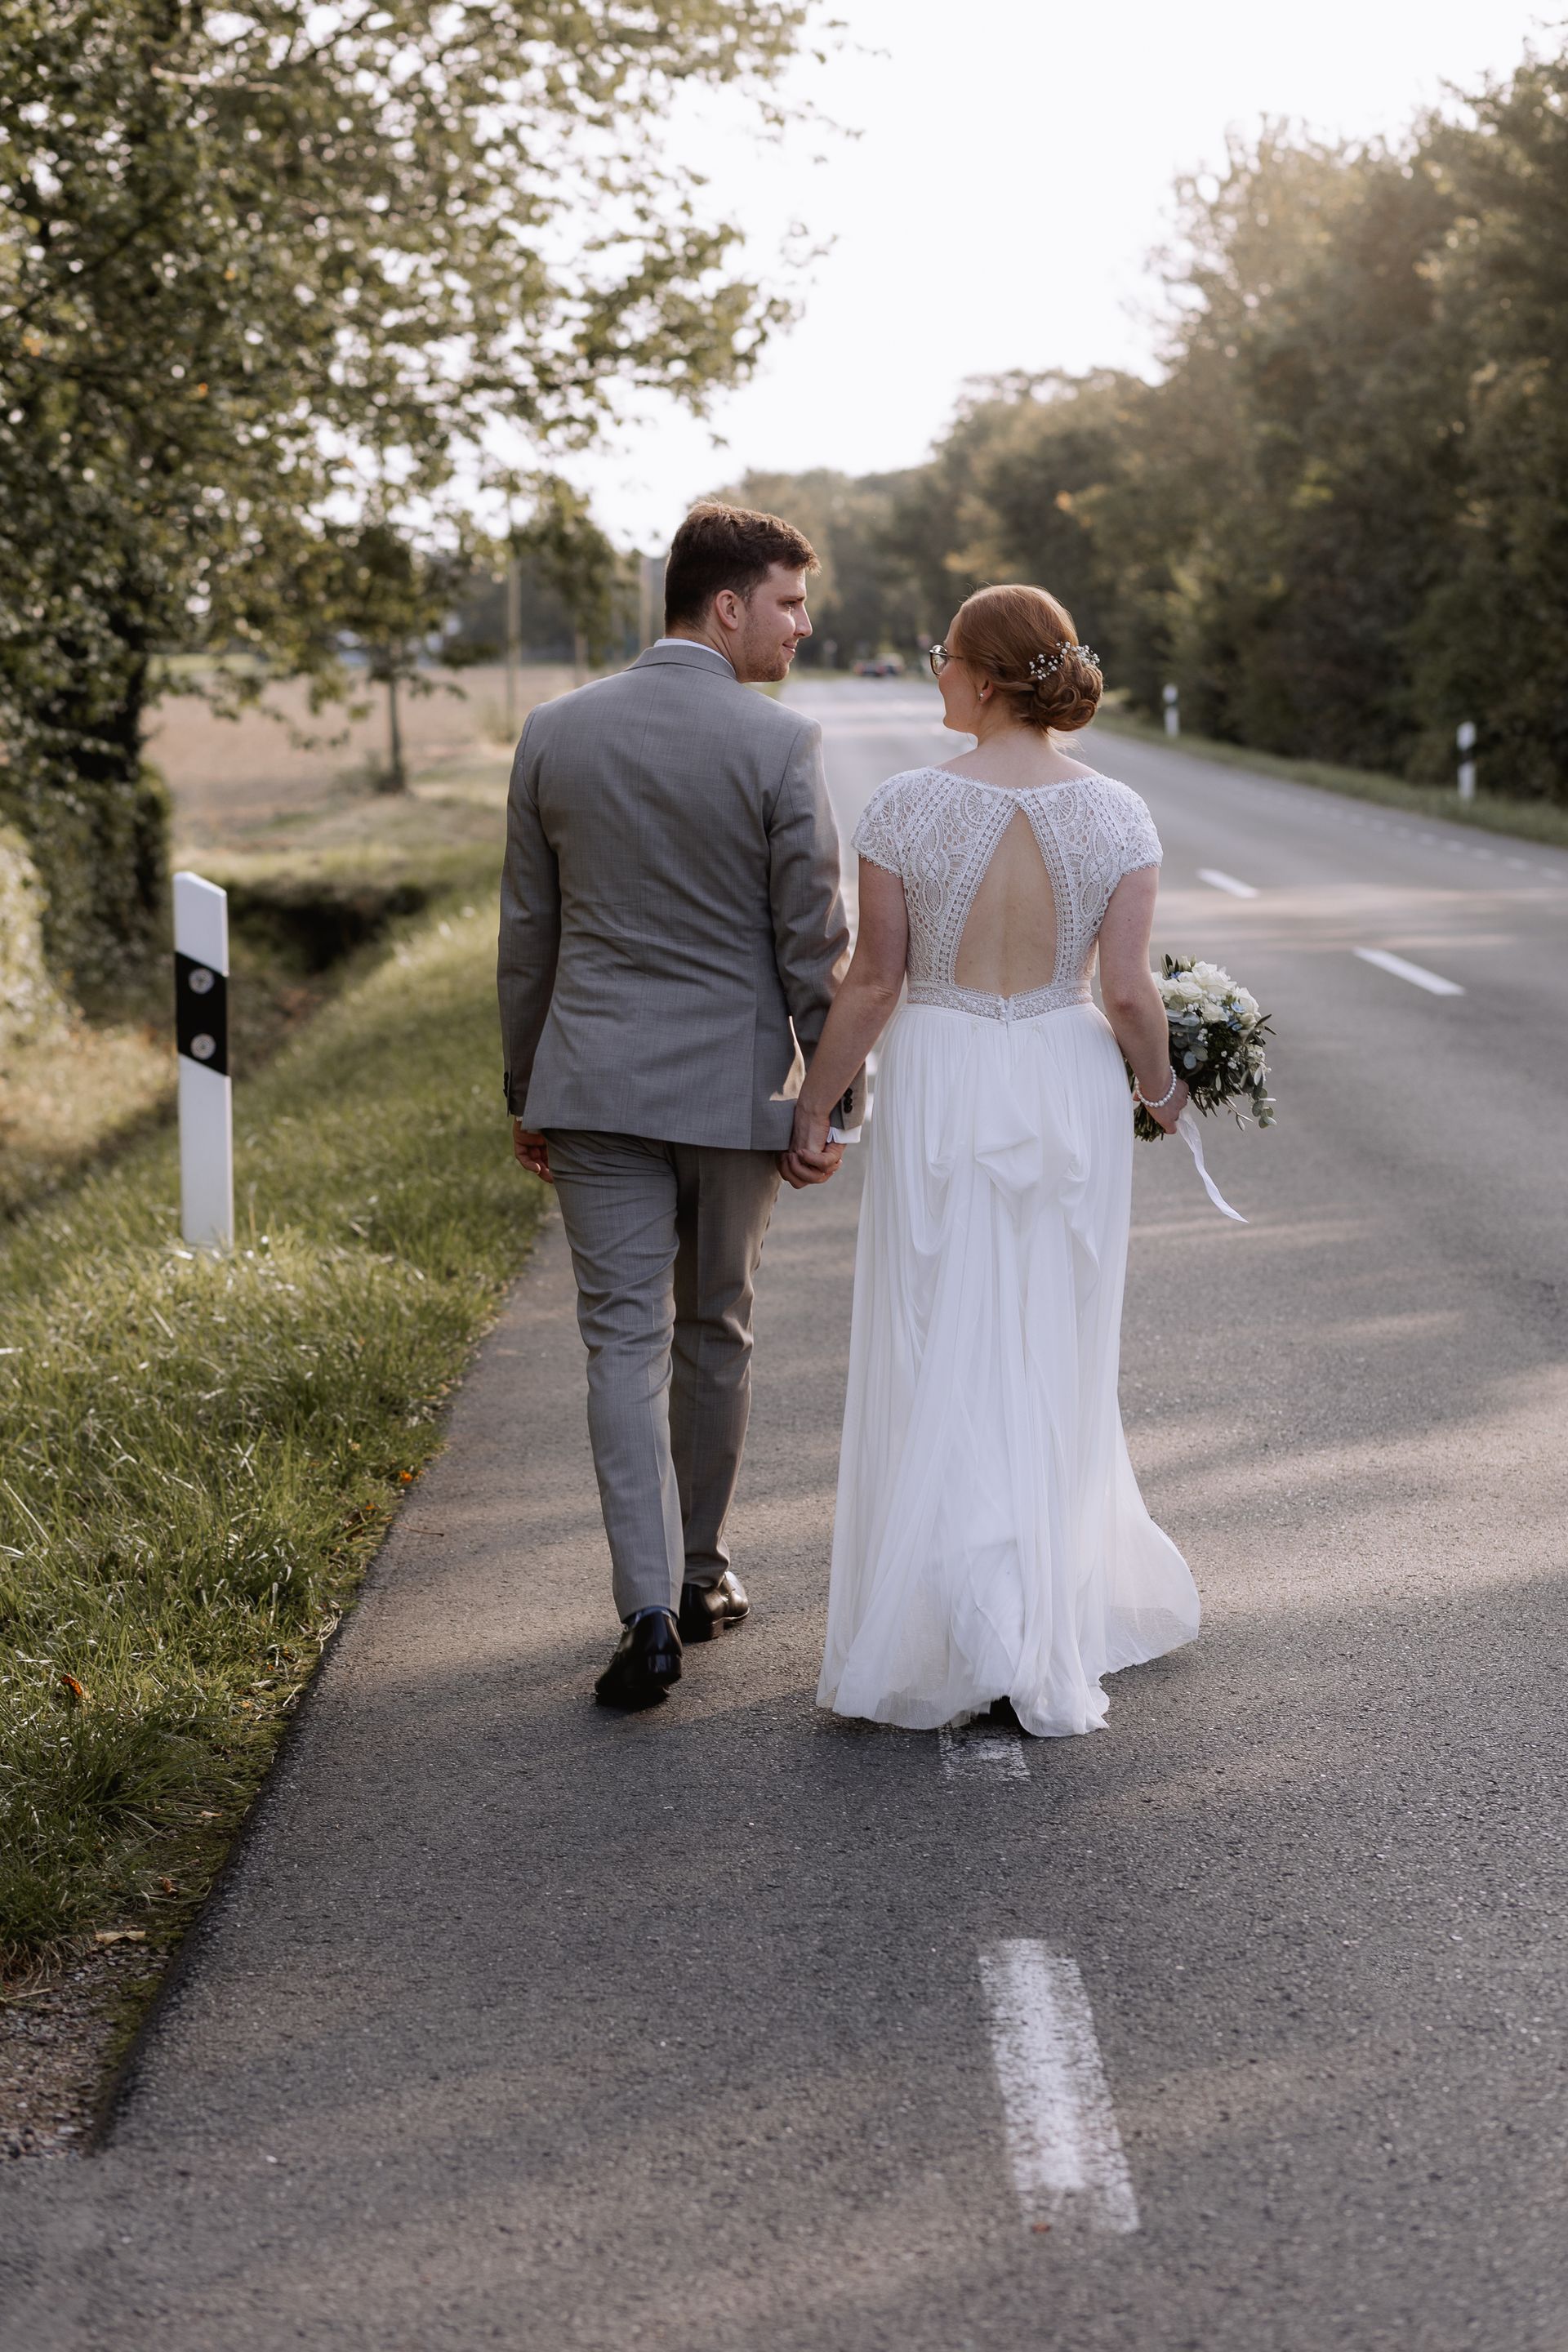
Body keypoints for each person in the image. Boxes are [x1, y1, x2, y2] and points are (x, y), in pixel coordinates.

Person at [786, 584, 1201, 1736]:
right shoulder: (1119, 812)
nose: (934, 675)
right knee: (1053, 1336)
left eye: (940, 658)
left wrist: (814, 1107)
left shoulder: (908, 806)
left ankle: (971, 1616)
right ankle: (1035, 1610)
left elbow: (873, 982)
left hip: (943, 1072)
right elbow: (1126, 992)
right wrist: (1162, 1091)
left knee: (940, 1332)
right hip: (1064, 1077)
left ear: (976, 675)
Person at [498, 502, 859, 1712]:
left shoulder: (554, 731)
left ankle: (645, 1610)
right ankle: (701, 1576)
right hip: (732, 1091)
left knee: (619, 1343)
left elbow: (528, 935)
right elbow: (813, 939)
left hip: (592, 1082)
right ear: (726, 607)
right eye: (790, 603)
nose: (803, 627)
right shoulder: (780, 745)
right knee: (716, 1331)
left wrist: (525, 1086)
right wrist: (831, 1098)